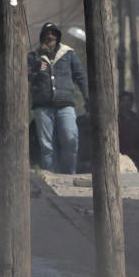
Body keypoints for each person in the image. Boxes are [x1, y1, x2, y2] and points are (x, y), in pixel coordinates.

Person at [27, 21, 89, 174]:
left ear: (58, 37)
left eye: (53, 34)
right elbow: (25, 76)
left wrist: (88, 99)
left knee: (70, 139)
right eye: (47, 34)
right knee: (47, 146)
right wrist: (35, 66)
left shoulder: (68, 54)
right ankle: (51, 176)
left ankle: (68, 174)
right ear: (42, 38)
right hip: (42, 106)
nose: (50, 36)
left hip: (65, 105)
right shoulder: (34, 56)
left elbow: (81, 76)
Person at [117, 91, 139, 172]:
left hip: (136, 158)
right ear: (119, 102)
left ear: (132, 103)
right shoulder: (115, 120)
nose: (126, 103)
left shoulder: (137, 120)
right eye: (124, 100)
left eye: (129, 101)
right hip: (121, 158)